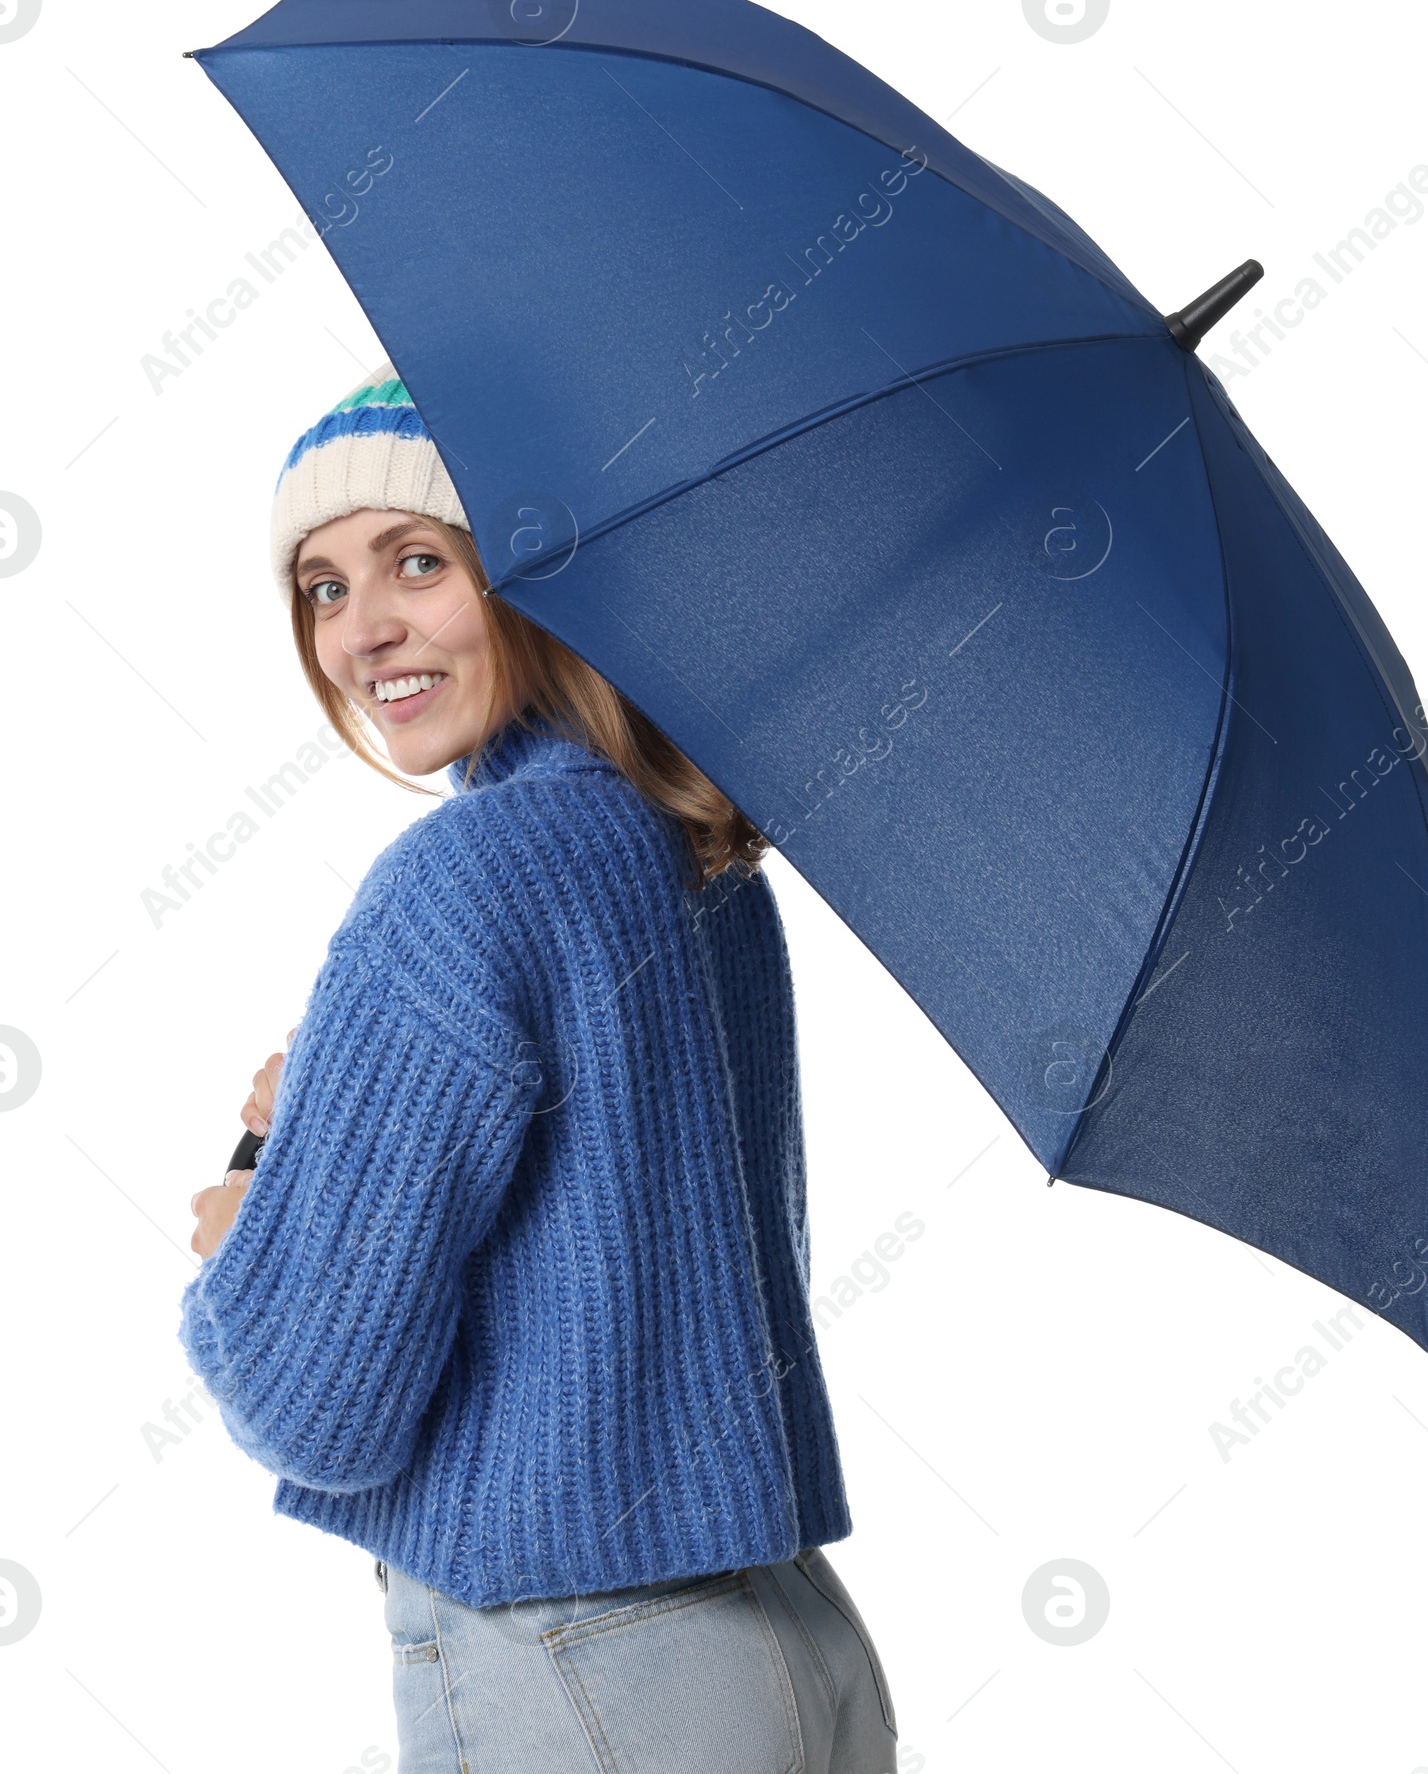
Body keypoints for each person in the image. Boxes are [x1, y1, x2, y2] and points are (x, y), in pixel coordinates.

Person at [181, 365, 900, 1773]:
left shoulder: (464, 879)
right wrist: (338, 1118)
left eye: (419, 562)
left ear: (535, 570)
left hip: (579, 1665)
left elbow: (312, 1405)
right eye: (322, 586)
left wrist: (245, 1220)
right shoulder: (690, 851)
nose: (361, 630)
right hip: (786, 1637)